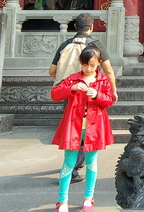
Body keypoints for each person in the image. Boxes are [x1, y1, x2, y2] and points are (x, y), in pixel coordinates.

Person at [49, 13, 118, 184]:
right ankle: (73, 169)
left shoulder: (65, 44)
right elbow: (108, 70)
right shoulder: (96, 45)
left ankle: (71, 166)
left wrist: (66, 84)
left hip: (69, 91)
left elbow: (52, 70)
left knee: (73, 131)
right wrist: (113, 90)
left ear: (75, 27)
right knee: (85, 131)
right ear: (92, 27)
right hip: (91, 93)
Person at [51, 47, 115, 212]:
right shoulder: (72, 79)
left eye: (92, 65)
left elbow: (109, 101)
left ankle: (88, 197)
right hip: (73, 126)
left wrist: (96, 95)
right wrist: (72, 89)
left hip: (94, 127)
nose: (88, 68)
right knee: (68, 162)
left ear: (99, 64)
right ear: (80, 62)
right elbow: (55, 94)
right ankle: (62, 200)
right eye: (85, 65)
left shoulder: (103, 81)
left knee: (91, 162)